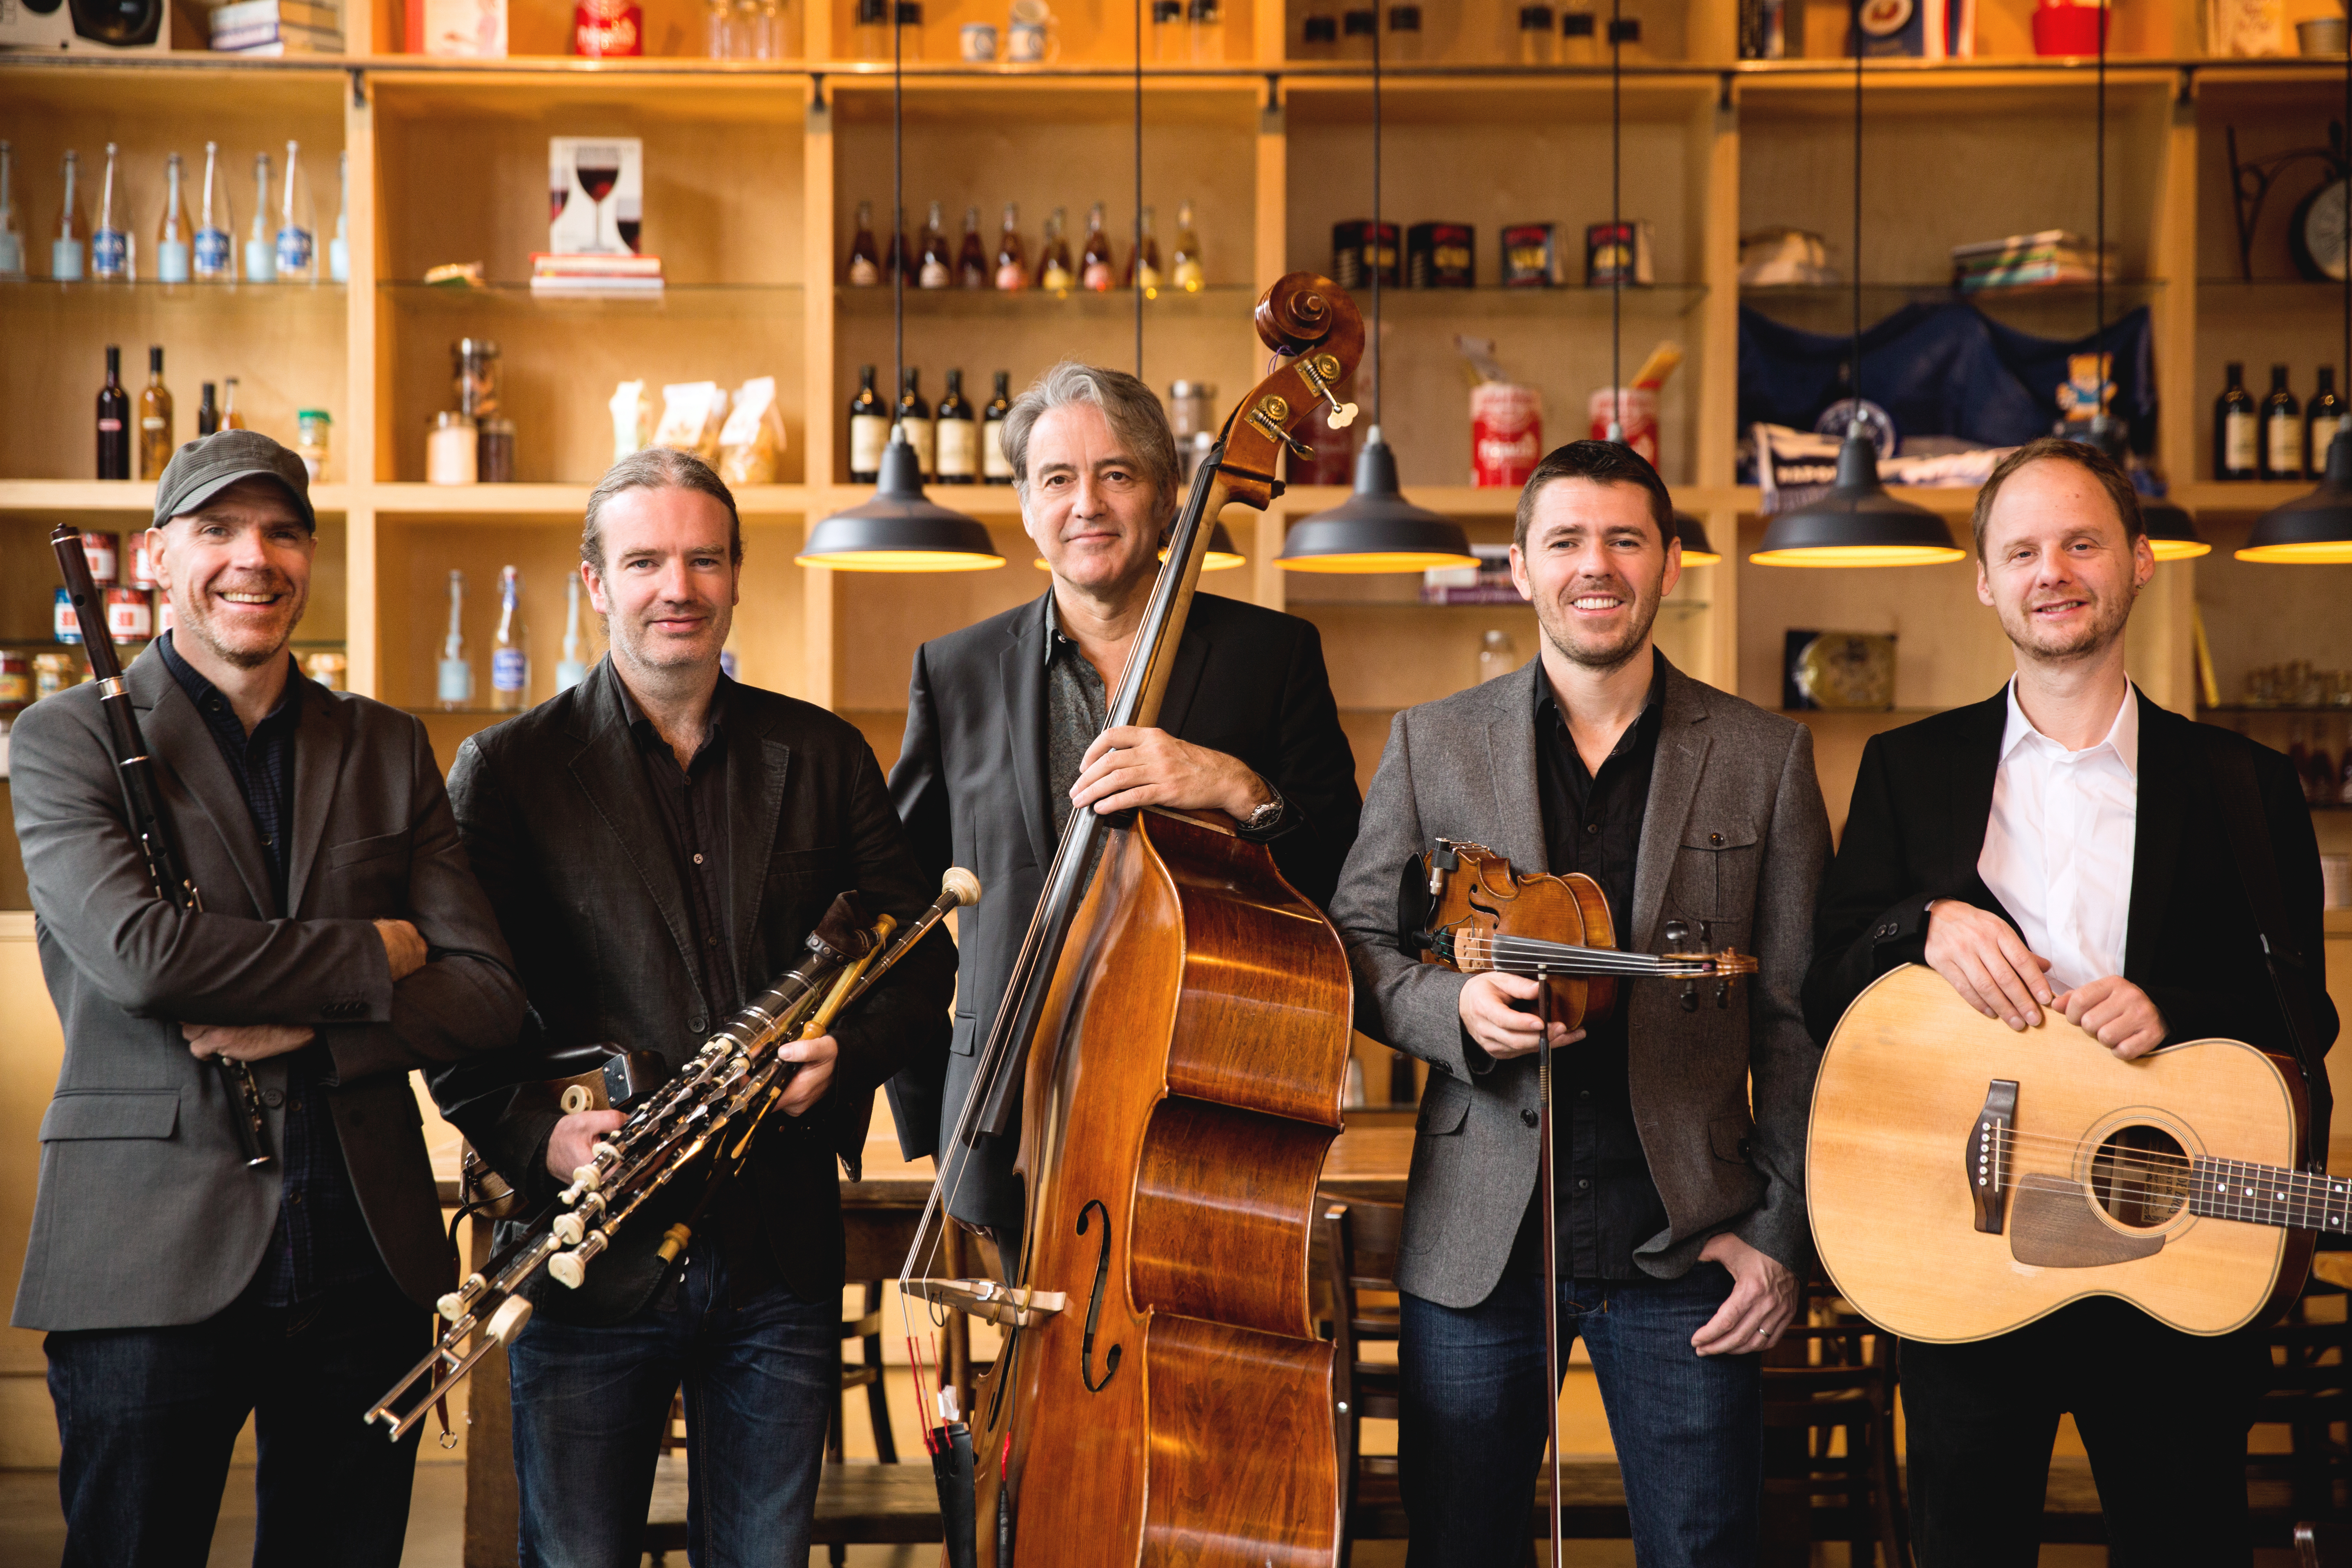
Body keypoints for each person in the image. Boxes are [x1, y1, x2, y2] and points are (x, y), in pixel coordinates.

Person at [1804, 435, 2338, 1568]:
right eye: (2025, 549)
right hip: (1968, 1242)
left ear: (2140, 561)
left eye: (2082, 542)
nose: (2055, 571)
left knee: (2186, 1544)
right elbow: (1827, 975)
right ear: (1987, 580)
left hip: (2172, 1254)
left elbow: (2307, 1022)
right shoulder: (1910, 768)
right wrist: (1927, 924)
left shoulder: (2247, 784)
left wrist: (2177, 1010)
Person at [9, 430, 527, 1568]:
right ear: (156, 556)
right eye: (219, 530)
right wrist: (378, 952)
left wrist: (306, 1023)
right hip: (147, 1250)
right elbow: (146, 958)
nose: (256, 558)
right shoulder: (60, 740)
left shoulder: (388, 744)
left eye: (283, 530)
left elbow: (488, 994)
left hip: (361, 1253)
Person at [438, 449, 956, 1567]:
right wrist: (539, 1134)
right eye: (645, 561)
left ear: (735, 575)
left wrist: (848, 1052)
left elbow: (921, 964)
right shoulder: (508, 771)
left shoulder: (822, 754)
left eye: (703, 559)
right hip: (590, 1254)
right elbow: (457, 1012)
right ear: (594, 583)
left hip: (777, 1251)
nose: (678, 586)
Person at [1327, 440, 1830, 1568]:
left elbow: (1798, 1023)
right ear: (1519, 566)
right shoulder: (1429, 742)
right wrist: (1454, 1014)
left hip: (1692, 1243)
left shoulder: (1766, 756)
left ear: (1670, 563)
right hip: (1479, 1246)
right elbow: (1354, 946)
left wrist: (1776, 1232)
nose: (1593, 565)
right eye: (1564, 541)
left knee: (1707, 1553)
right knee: (1460, 1549)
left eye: (1623, 540)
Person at [883, 361, 1363, 1253]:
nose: (1087, 505)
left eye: (1117, 474)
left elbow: (1348, 876)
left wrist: (1239, 791)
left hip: (1207, 1095)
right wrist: (936, 1118)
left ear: (1170, 496)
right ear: (1026, 507)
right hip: (1008, 1114)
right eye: (1057, 479)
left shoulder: (1275, 655)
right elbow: (896, 915)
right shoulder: (954, 672)